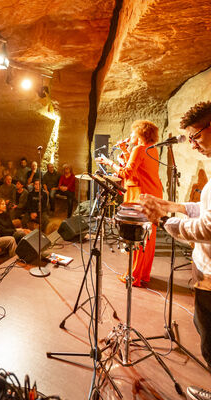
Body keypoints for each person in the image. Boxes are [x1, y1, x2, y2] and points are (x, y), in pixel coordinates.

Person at [140, 102, 211, 400]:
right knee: (202, 327)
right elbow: (203, 208)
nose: (192, 144)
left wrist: (166, 219)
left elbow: (208, 228)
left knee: (210, 342)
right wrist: (173, 206)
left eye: (195, 136)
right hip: (205, 267)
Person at [98, 120, 163, 287]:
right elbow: (137, 169)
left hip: (141, 196)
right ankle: (142, 274)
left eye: (133, 133)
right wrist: (125, 150)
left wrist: (108, 162)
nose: (130, 135)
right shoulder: (151, 149)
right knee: (148, 238)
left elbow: (127, 172)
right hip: (152, 194)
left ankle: (134, 276)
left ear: (140, 134)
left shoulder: (139, 149)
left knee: (139, 236)